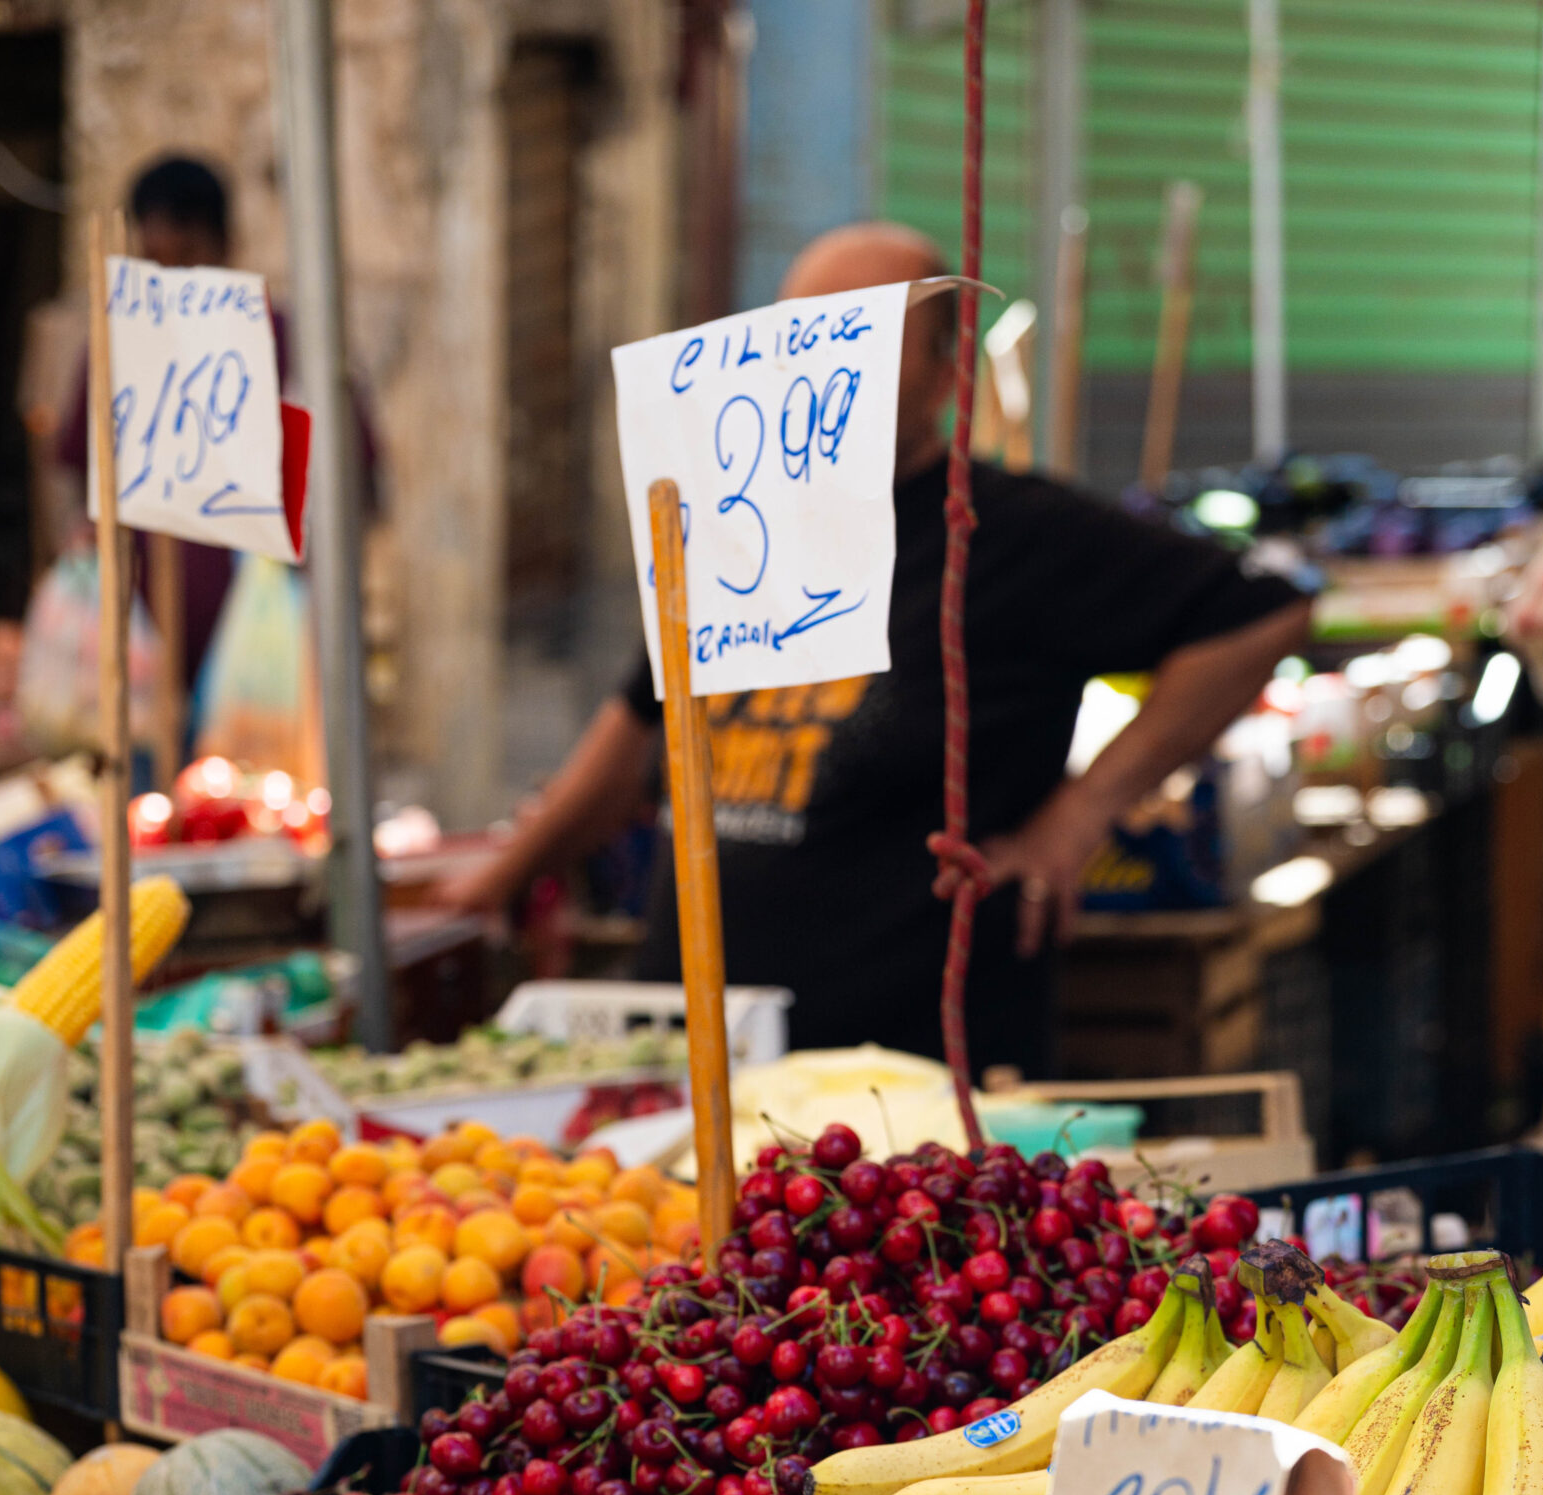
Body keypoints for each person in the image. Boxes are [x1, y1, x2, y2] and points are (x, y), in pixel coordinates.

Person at [434, 221, 1312, 1072]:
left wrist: (1076, 819)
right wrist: (494, 885)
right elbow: (635, 731)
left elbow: (1260, 617)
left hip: (905, 1083)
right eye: (794, 339)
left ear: (944, 374)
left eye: (854, 340)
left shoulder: (1014, 533)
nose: (815, 367)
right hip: (700, 1061)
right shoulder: (740, 526)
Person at [54, 155, 378, 699]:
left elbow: (357, 479)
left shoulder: (289, 346)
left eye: (188, 259)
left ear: (226, 247)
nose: (174, 282)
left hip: (266, 657)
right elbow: (69, 468)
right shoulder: (117, 352)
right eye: (155, 264)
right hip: (138, 658)